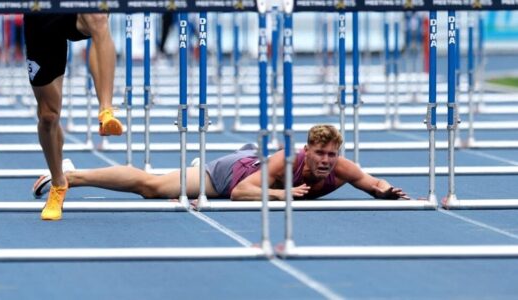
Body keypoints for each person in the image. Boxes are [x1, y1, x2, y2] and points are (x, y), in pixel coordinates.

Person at [33, 125, 409, 219]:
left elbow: (373, 184)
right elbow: (242, 194)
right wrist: (283, 194)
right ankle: (68, 174)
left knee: (157, 185)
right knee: (151, 187)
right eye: (320, 154)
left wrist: (393, 193)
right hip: (233, 174)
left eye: (331, 154)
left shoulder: (341, 168)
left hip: (254, 169)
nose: (326, 161)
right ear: (306, 151)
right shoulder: (287, 159)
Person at [24, 13, 123, 221]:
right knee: (48, 116)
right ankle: (59, 183)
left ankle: (106, 110)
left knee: (97, 18)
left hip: (76, 7)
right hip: (40, 13)